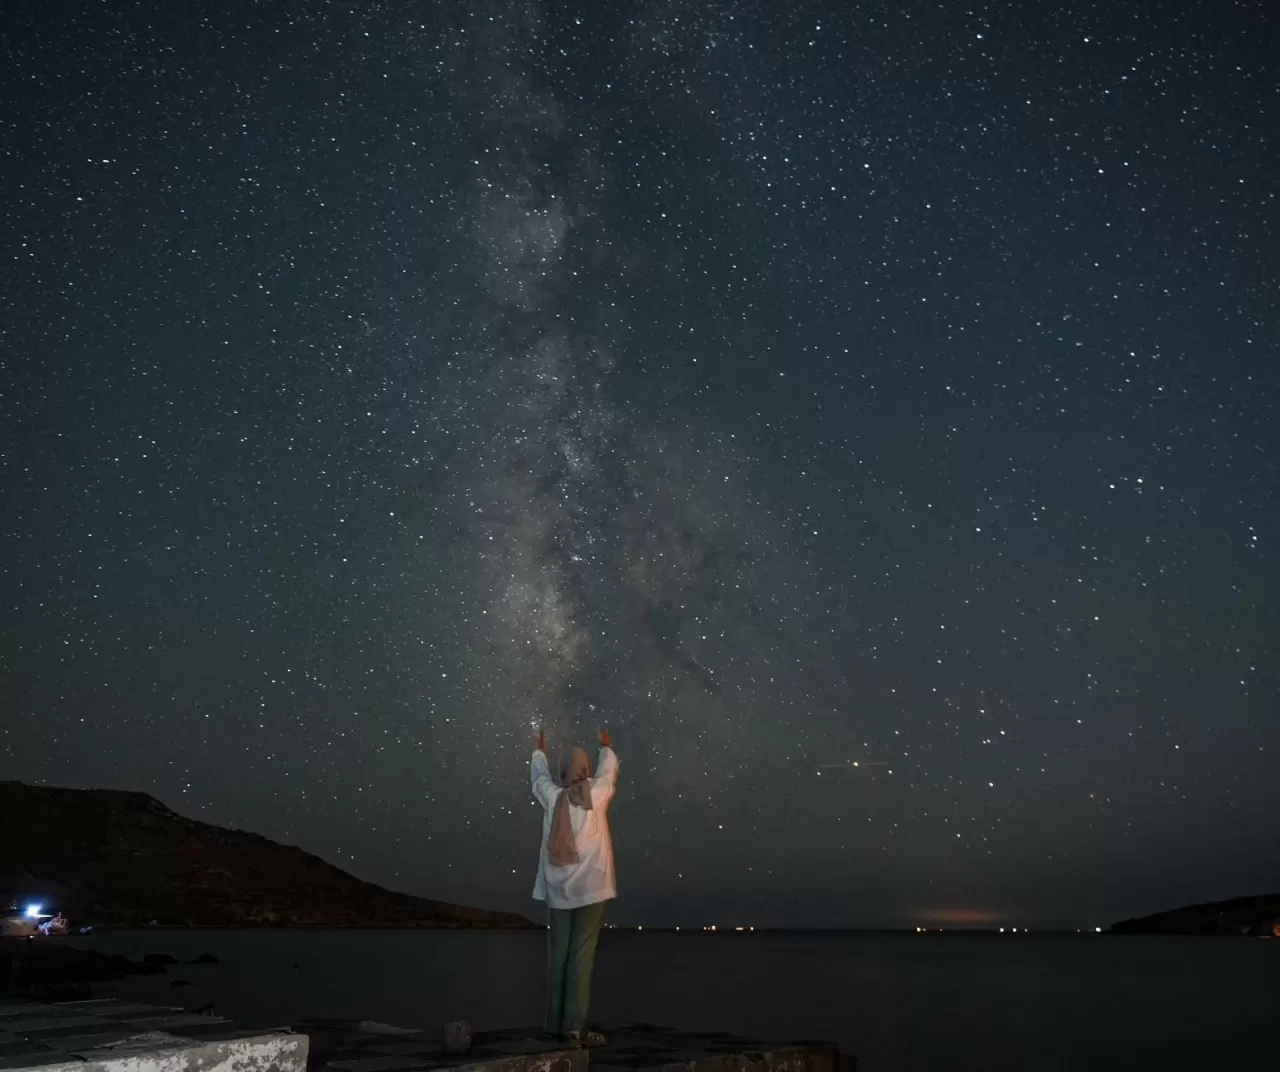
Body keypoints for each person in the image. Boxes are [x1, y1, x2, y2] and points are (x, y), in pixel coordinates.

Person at [530, 726, 619, 1047]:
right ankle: (575, 1027)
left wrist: (539, 751)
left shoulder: (552, 796)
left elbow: (538, 778)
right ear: (584, 769)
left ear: (563, 770)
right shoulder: (597, 792)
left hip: (559, 890)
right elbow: (608, 771)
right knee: (582, 955)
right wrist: (605, 748)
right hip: (592, 888)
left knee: (559, 954)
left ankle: (553, 1024)